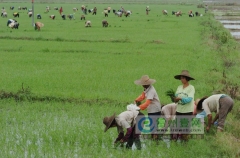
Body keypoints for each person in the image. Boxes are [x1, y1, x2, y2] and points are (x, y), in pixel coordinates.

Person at [134, 75, 161, 140]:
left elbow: (147, 102)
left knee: (154, 127)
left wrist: (138, 108)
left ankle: (155, 140)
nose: (142, 85)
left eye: (143, 84)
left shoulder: (151, 90)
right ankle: (154, 139)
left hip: (155, 110)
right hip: (151, 110)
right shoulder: (146, 88)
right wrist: (136, 100)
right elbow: (142, 96)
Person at [173, 70, 195, 141]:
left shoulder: (191, 88)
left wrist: (180, 98)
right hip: (179, 110)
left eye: (183, 78)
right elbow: (175, 97)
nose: (181, 79)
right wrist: (175, 99)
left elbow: (189, 99)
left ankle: (185, 143)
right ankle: (179, 141)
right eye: (181, 78)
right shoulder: (179, 87)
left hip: (187, 111)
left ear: (187, 79)